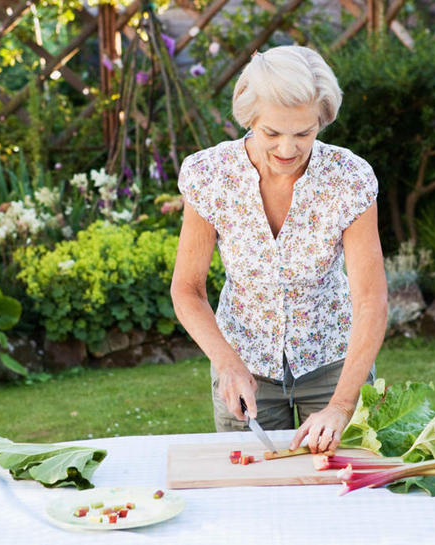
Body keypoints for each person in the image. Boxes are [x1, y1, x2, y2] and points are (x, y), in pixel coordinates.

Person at [170, 45, 387, 454]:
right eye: (271, 133)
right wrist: (226, 363)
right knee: (252, 484)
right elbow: (187, 289)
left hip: (334, 366)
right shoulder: (210, 175)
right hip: (244, 367)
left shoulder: (350, 180)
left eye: (303, 133)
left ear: (321, 121)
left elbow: (371, 300)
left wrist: (342, 406)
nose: (287, 149)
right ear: (249, 118)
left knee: (338, 483)